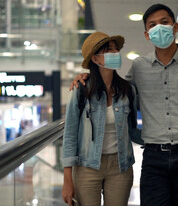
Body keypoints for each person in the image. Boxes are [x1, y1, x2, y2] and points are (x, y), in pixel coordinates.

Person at [71, 3, 178, 206]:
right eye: (152, 25)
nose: (159, 28)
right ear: (147, 34)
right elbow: (119, 91)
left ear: (175, 27)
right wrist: (88, 76)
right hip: (153, 156)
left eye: (164, 22)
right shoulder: (139, 67)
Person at [61, 31, 143, 206]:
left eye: (115, 49)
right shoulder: (81, 90)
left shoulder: (127, 90)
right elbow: (69, 136)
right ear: (95, 59)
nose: (115, 53)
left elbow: (133, 130)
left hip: (120, 166)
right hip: (87, 167)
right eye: (108, 50)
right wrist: (67, 180)